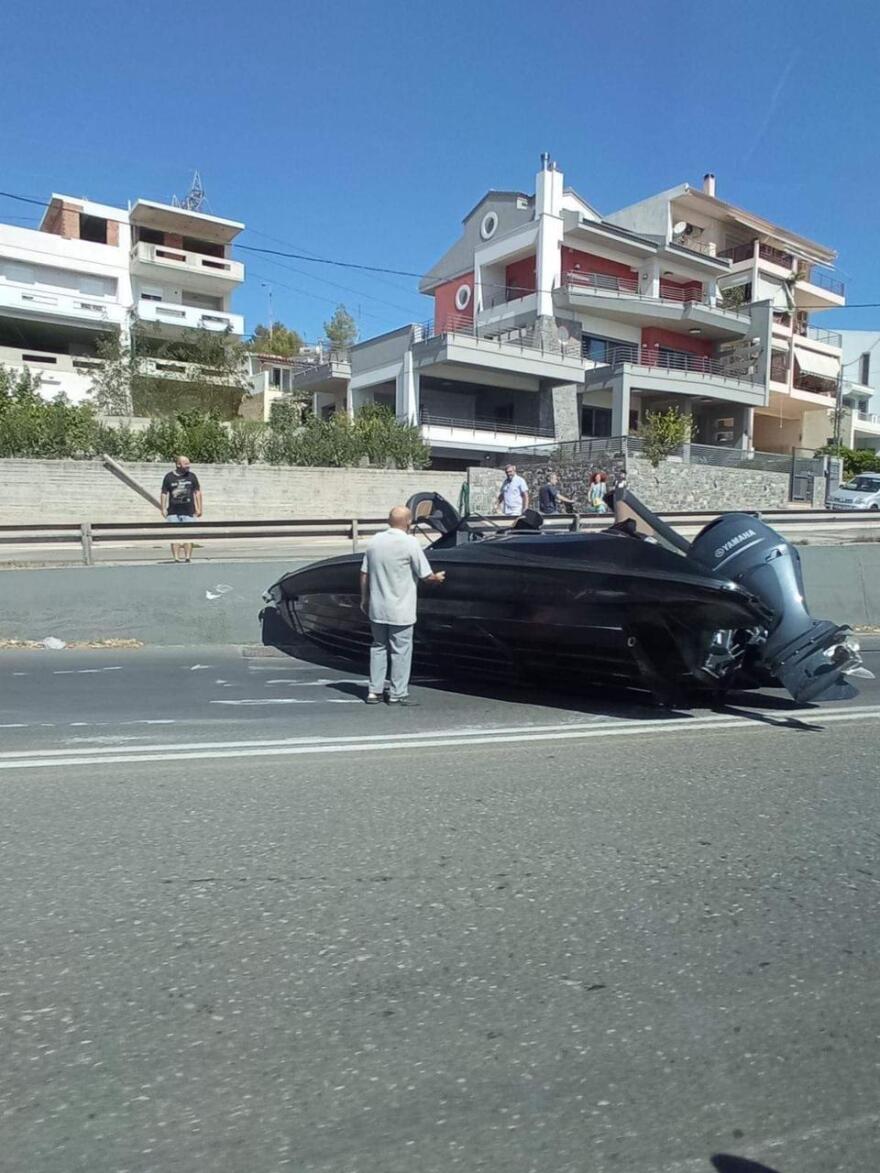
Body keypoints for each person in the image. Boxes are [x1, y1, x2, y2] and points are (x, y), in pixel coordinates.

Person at [360, 506, 446, 705]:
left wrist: (365, 599)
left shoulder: (374, 542)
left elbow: (364, 573)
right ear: (408, 522)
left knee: (378, 648)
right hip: (401, 609)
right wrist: (438, 577)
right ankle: (397, 693)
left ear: (389, 520)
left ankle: (375, 691)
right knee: (401, 651)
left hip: (377, 607)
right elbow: (426, 576)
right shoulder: (410, 543)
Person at [160, 455, 202, 563]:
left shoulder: (192, 476)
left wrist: (199, 508)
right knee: (175, 536)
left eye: (189, 463)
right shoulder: (169, 477)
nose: (188, 466)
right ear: (178, 464)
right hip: (173, 512)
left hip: (188, 511)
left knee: (188, 535)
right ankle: (176, 558)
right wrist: (163, 508)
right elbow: (164, 493)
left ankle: (188, 558)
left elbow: (197, 492)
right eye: (186, 464)